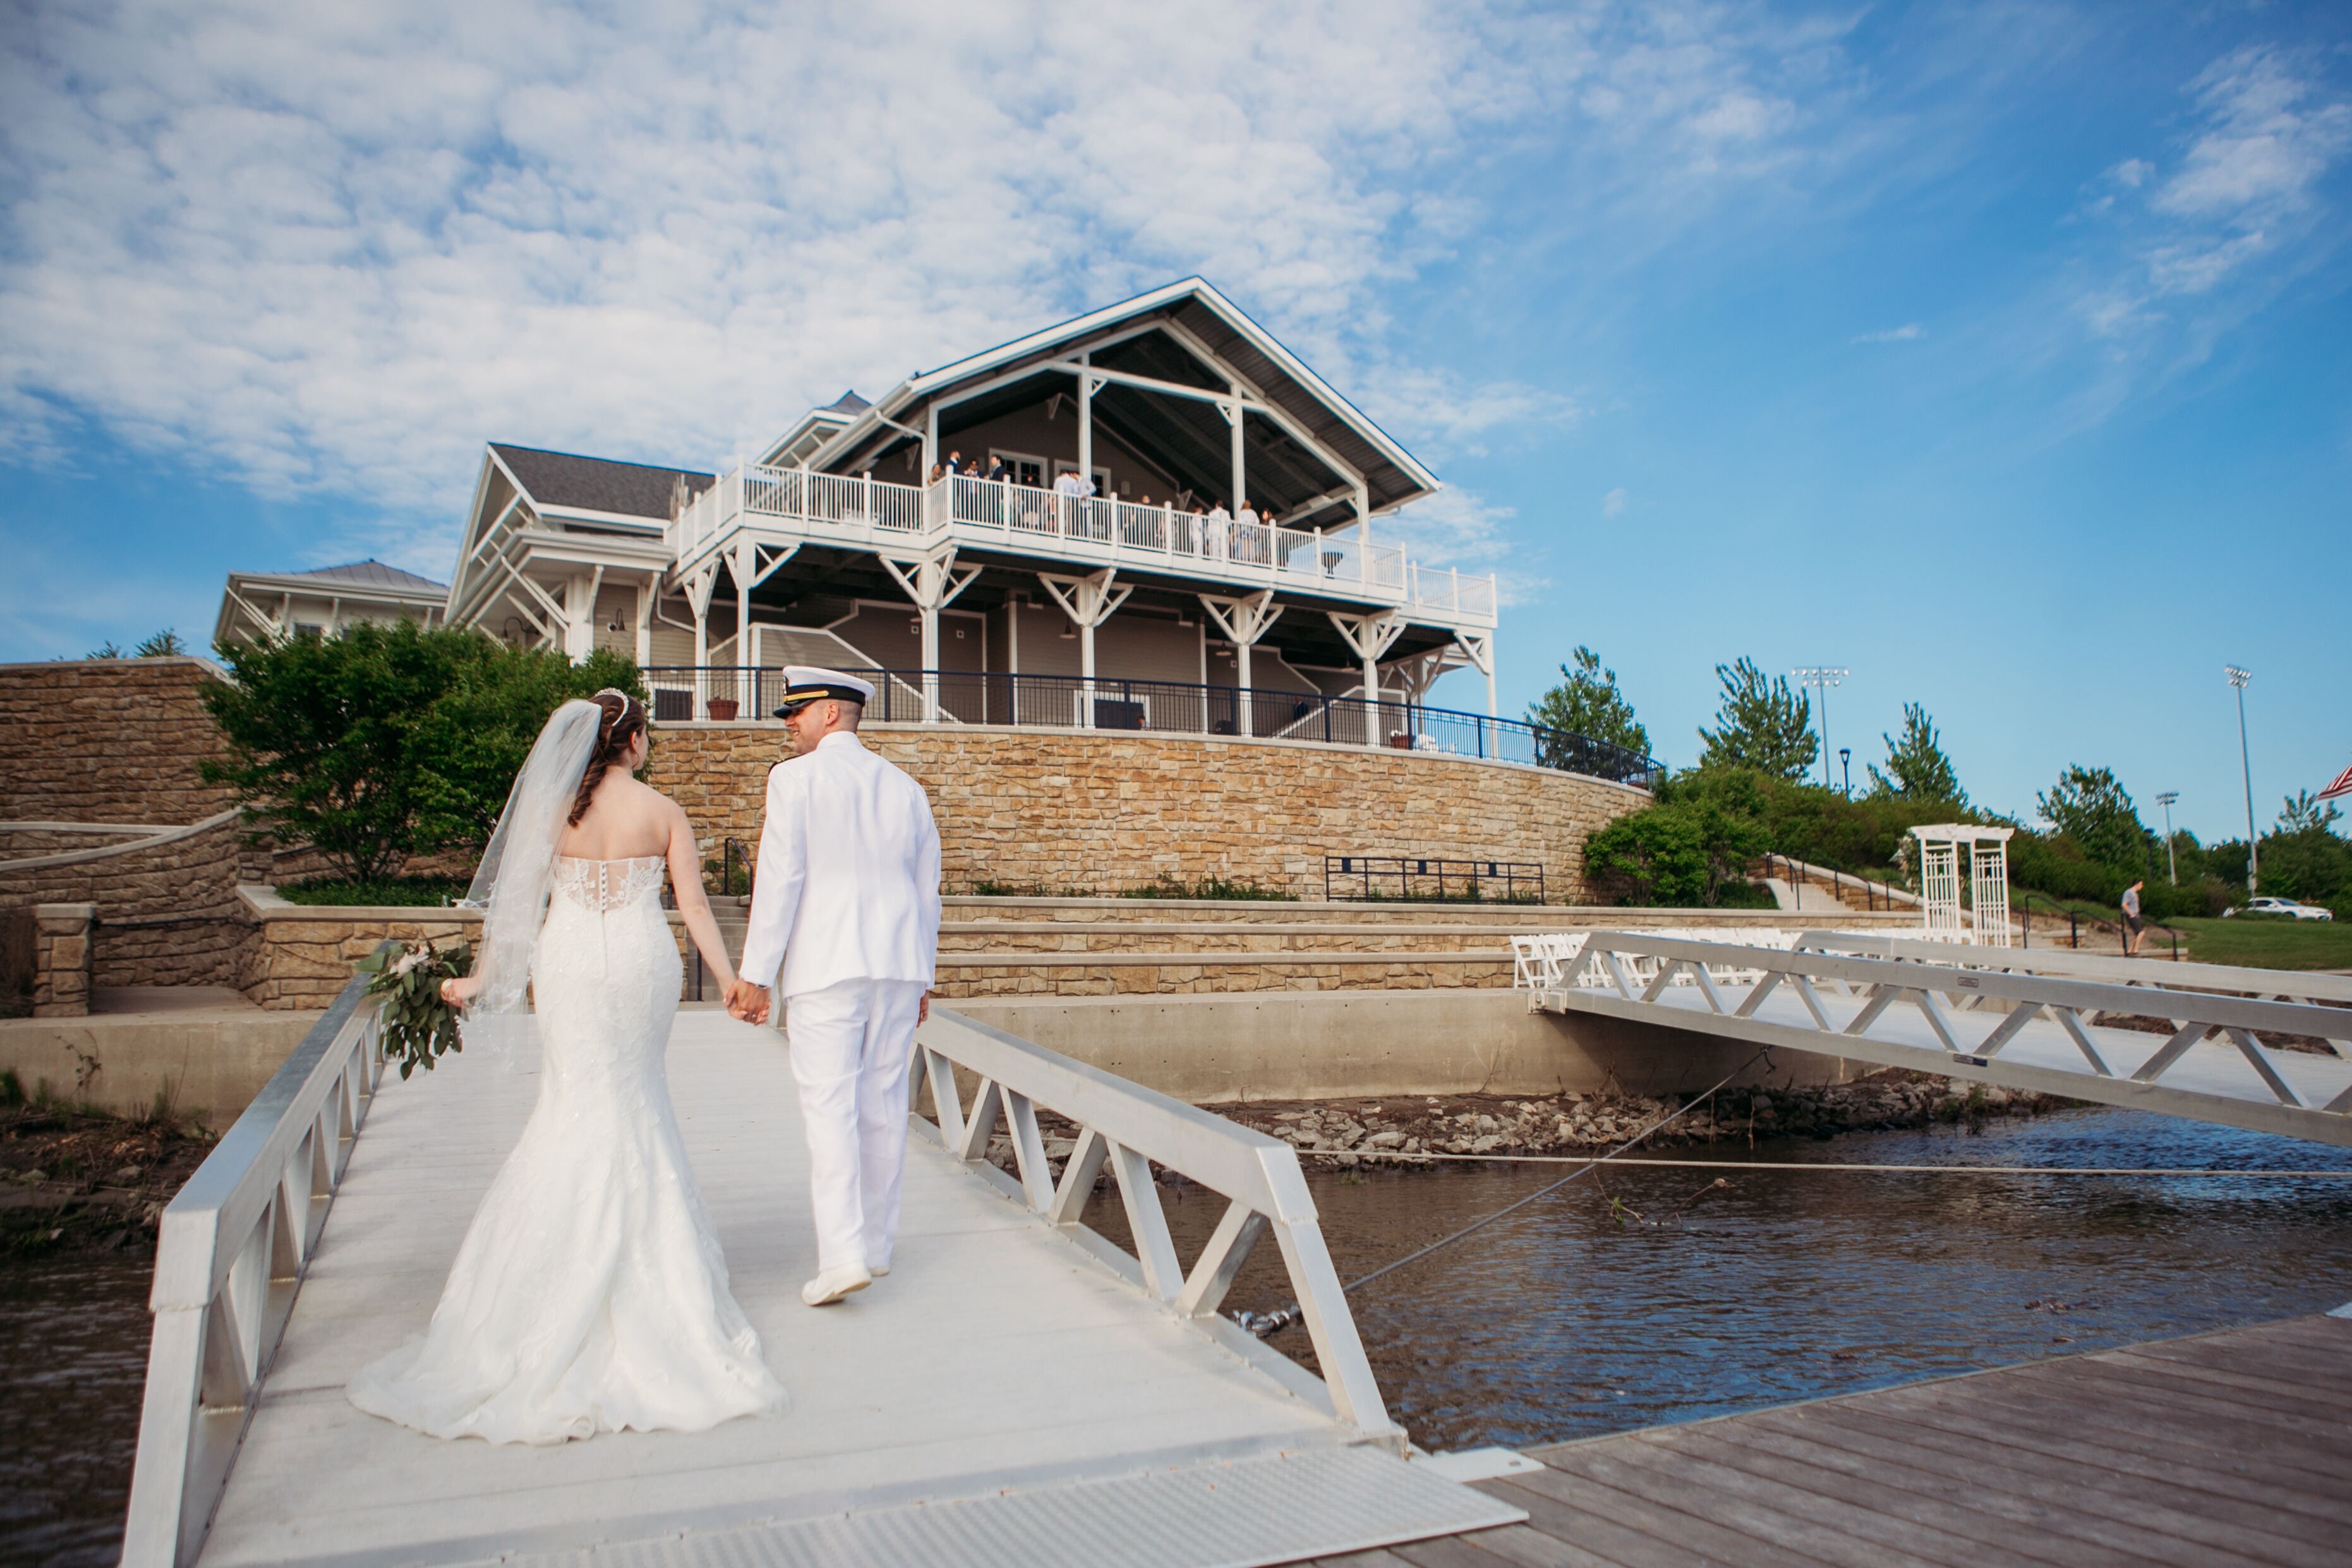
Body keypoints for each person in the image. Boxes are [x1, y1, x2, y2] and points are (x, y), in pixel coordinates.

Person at [347, 691, 784, 1444]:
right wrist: (731, 981)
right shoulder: (665, 812)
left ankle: (536, 1293)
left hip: (573, 964)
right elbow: (696, 910)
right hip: (643, 967)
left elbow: (514, 908)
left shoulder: (551, 813)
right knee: (636, 1098)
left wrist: (481, 983)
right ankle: (654, 1294)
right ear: (634, 742)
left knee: (573, 1102)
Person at [728, 667, 941, 1309]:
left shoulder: (795, 779)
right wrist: (925, 973)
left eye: (797, 711)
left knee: (829, 1109)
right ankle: (875, 1245)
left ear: (829, 713)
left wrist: (757, 973)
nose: (788, 722)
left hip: (829, 963)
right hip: (898, 965)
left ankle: (843, 1255)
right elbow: (926, 889)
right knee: (881, 1106)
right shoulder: (906, 788)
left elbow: (781, 876)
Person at [2123, 878, 2145, 956]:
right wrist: (2131, 914)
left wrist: (2137, 914)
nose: (2142, 887)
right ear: (2137, 884)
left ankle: (2129, 951)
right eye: (2141, 885)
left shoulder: (2136, 894)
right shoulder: (2128, 892)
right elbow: (2124, 904)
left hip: (2136, 915)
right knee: (2141, 932)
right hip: (2131, 916)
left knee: (2137, 934)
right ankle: (2136, 950)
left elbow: (2136, 906)